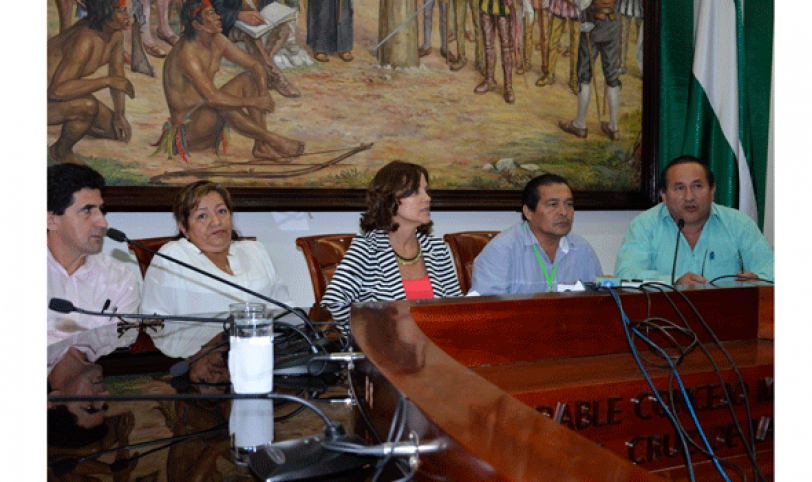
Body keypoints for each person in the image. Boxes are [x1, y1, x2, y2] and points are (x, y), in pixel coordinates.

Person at [140, 181, 292, 358]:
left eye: (221, 211)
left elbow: (287, 310)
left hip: (266, 354)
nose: (216, 222)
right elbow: (155, 326)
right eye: (202, 216)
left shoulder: (255, 251)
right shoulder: (173, 257)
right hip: (200, 360)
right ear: (184, 227)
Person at [155, 0, 304, 163]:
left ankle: (261, 146)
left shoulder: (217, 40)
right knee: (222, 103)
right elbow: (212, 98)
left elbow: (255, 65)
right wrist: (254, 102)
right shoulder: (187, 54)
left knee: (248, 79)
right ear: (197, 26)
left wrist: (262, 94)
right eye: (211, 14)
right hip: (189, 132)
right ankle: (272, 139)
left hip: (209, 122)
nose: (219, 17)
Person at [321, 161, 463, 329]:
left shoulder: (437, 248)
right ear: (390, 199)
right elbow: (334, 301)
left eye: (426, 190)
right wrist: (365, 340)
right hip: (386, 352)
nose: (427, 198)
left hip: (435, 348)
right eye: (415, 192)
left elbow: (456, 306)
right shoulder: (367, 248)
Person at [614, 156, 775, 285]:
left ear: (712, 190)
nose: (689, 197)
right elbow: (625, 274)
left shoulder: (739, 224)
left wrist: (758, 278)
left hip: (726, 318)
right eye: (679, 188)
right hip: (663, 321)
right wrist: (673, 281)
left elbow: (771, 269)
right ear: (663, 195)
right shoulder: (644, 225)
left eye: (697, 186)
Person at [47, 164, 141, 374]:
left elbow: (127, 338)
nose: (103, 222)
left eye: (101, 210)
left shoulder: (120, 278)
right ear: (51, 220)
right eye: (87, 210)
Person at [471, 174, 602, 295]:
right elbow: (486, 311)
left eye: (569, 204)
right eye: (553, 204)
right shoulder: (502, 250)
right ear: (528, 212)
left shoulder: (582, 250)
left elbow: (599, 303)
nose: (564, 212)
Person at [48, 0, 136, 165]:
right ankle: (61, 151)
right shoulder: (85, 39)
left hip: (62, 95)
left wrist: (119, 115)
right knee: (88, 107)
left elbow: (117, 76)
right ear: (105, 12)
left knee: (116, 131)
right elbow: (57, 91)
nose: (128, 17)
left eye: (127, 11)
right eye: (122, 11)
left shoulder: (115, 35)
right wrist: (106, 81)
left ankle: (74, 121)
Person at [558, 0, 621, 140]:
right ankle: (614, 127)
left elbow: (582, 3)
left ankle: (580, 124)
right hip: (613, 23)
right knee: (612, 77)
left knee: (584, 74)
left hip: (594, 24)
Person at [213, 0, 303, 98]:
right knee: (249, 36)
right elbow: (217, 13)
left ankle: (263, 71)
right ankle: (278, 80)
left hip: (257, 23)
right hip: (230, 27)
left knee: (284, 27)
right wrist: (239, 15)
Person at [473, 0, 516, 104]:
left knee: (506, 46)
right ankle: (489, 80)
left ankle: (508, 87)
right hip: (486, 4)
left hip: (503, 7)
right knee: (488, 44)